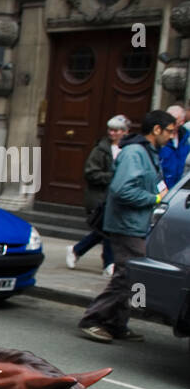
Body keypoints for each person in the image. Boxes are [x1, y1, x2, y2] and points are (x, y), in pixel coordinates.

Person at [78, 110, 176, 344]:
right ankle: (93, 319)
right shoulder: (135, 153)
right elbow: (122, 190)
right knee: (127, 276)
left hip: (136, 223)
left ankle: (116, 323)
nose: (172, 137)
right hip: (126, 224)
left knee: (131, 275)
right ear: (156, 130)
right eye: (170, 131)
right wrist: (154, 199)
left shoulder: (148, 152)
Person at [67, 115, 126, 272]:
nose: (112, 133)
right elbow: (91, 173)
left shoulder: (126, 149)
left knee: (105, 230)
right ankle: (109, 264)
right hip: (100, 197)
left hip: (116, 197)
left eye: (116, 130)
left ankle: (76, 250)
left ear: (124, 132)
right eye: (110, 130)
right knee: (107, 230)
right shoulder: (100, 150)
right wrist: (113, 177)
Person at [159, 104, 187, 188]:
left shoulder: (187, 139)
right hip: (162, 187)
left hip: (179, 187)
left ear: (182, 121)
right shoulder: (159, 137)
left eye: (174, 119)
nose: (168, 121)